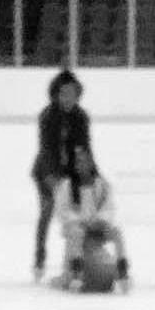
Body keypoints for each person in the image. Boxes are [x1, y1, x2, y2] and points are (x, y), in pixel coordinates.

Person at [32, 67, 93, 281]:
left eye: (73, 94)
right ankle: (39, 257)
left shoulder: (81, 117)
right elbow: (47, 150)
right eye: (64, 93)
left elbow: (85, 149)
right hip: (47, 172)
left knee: (80, 215)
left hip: (72, 173)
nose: (68, 98)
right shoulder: (47, 116)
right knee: (48, 211)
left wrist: (90, 176)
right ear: (56, 94)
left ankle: (75, 262)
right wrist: (53, 180)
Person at [53, 146, 131, 290]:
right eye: (79, 162)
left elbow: (109, 207)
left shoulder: (102, 185)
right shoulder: (67, 186)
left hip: (97, 228)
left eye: (85, 161)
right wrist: (80, 222)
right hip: (77, 230)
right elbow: (62, 211)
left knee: (117, 232)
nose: (82, 165)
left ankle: (122, 273)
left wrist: (101, 221)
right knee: (77, 233)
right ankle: (77, 274)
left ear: (91, 163)